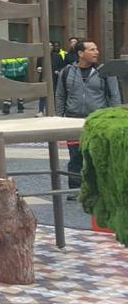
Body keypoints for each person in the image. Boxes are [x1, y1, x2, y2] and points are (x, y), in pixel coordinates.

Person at [55, 40, 122, 199]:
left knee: (98, 156)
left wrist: (116, 119)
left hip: (98, 121)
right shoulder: (67, 72)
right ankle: (75, 190)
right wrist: (58, 118)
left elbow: (114, 96)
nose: (96, 52)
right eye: (92, 49)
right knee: (75, 157)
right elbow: (60, 96)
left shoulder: (105, 72)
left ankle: (98, 190)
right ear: (80, 53)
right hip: (73, 121)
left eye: (96, 49)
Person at [37, 41, 67, 115]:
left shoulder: (58, 56)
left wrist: (58, 71)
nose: (49, 47)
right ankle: (40, 111)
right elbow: (38, 67)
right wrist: (39, 68)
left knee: (55, 95)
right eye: (47, 45)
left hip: (55, 78)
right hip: (44, 78)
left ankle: (55, 111)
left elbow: (63, 66)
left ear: (52, 47)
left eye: (50, 45)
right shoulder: (41, 57)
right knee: (42, 95)